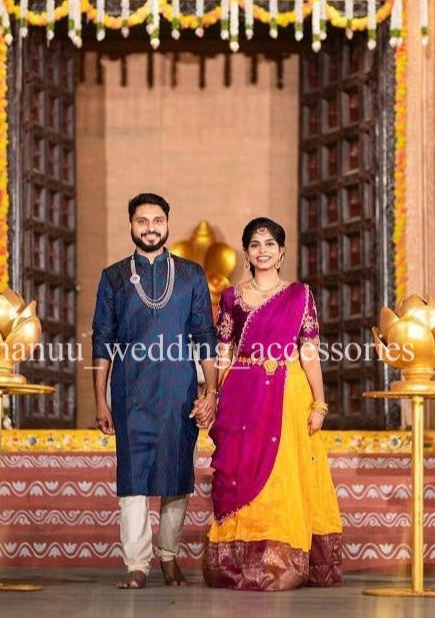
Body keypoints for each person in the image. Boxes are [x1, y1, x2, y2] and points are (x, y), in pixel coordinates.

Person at [203, 217, 343, 591]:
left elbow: (309, 353)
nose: (262, 250)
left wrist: (320, 403)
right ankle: (237, 564)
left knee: (283, 477)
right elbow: (222, 352)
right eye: (254, 244)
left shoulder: (300, 295)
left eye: (269, 243)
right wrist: (213, 393)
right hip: (242, 392)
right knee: (237, 473)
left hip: (287, 392)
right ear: (246, 252)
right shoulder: (232, 297)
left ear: (281, 252)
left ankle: (279, 561)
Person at [92, 193, 218, 590]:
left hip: (179, 391)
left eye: (157, 220)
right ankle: (136, 564)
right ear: (130, 225)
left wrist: (211, 391)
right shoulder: (112, 277)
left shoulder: (191, 275)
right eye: (142, 220)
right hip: (129, 393)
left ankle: (168, 558)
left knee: (176, 475)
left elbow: (205, 338)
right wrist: (101, 399)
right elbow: (102, 342)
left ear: (167, 223)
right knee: (132, 478)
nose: (150, 227)